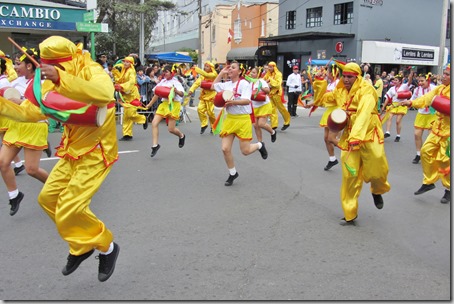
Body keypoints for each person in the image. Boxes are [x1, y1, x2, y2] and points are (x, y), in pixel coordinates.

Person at [0, 36, 120, 281]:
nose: (53, 72)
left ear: (70, 60)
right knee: (47, 199)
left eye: (59, 66)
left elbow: (105, 93)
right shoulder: (46, 80)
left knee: (69, 207)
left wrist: (61, 77)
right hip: (71, 150)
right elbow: (32, 112)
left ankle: (106, 246)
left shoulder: (90, 69)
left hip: (96, 151)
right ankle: (81, 245)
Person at [313, 61, 391, 225]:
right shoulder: (340, 90)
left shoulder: (367, 90)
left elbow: (364, 113)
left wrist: (357, 136)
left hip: (369, 131)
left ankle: (377, 191)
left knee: (377, 168)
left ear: (357, 77)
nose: (346, 79)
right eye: (345, 76)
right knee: (350, 174)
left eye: (350, 77)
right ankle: (350, 213)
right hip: (350, 135)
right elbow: (323, 100)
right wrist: (320, 82)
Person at [0, 50, 50, 216]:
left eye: (18, 64)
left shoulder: (43, 84)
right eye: (14, 63)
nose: (15, 67)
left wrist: (20, 102)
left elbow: (44, 109)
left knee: (32, 170)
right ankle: (14, 195)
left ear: (29, 65)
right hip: (17, 126)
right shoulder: (14, 82)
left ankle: (59, 189)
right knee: (2, 162)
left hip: (35, 126)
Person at [399, 64, 450, 204]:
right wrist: (410, 102)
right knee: (425, 151)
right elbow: (426, 99)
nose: (444, 76)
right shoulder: (439, 89)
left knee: (444, 160)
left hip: (449, 133)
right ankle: (429, 181)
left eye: (448, 74)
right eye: (444, 73)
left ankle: (448, 189)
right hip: (437, 128)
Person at [211, 61, 268, 186]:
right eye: (229, 68)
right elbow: (212, 87)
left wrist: (233, 102)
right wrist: (221, 72)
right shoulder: (226, 85)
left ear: (240, 71)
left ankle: (259, 145)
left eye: (233, 67)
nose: (230, 69)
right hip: (230, 119)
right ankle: (233, 173)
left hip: (242, 120)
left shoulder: (244, 84)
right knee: (225, 149)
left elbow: (247, 100)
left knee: (245, 151)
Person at [146, 65, 186, 158]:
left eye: (167, 71)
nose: (165, 73)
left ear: (172, 72)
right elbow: (157, 94)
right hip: (164, 104)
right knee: (154, 123)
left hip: (173, 104)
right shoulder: (162, 82)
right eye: (164, 72)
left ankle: (181, 136)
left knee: (171, 129)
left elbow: (182, 94)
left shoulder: (176, 82)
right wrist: (150, 104)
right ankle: (155, 145)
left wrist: (176, 91)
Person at [307, 63, 340, 171]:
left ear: (333, 72)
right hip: (329, 112)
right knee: (326, 139)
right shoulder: (329, 84)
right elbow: (322, 100)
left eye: (328, 72)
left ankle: (352, 151)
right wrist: (311, 104)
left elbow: (337, 99)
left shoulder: (339, 84)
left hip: (337, 111)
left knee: (331, 138)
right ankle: (332, 159)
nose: (326, 73)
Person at [114, 56, 148, 141]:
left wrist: (121, 86)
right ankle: (127, 134)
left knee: (130, 114)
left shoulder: (131, 71)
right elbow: (120, 80)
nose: (125, 63)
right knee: (126, 115)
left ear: (131, 64)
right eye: (124, 61)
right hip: (126, 94)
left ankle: (143, 119)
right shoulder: (123, 70)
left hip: (132, 95)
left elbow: (131, 82)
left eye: (127, 62)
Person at [409, 73, 436, 164]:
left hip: (432, 114)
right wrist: (407, 103)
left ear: (427, 80)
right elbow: (413, 100)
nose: (420, 83)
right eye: (419, 81)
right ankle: (418, 154)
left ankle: (430, 154)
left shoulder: (434, 88)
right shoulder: (417, 90)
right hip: (421, 114)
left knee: (431, 136)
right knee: (417, 134)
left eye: (422, 81)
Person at [381, 72, 413, 142]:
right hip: (394, 105)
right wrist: (383, 106)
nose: (394, 81)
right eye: (394, 80)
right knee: (389, 116)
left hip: (402, 105)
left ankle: (398, 135)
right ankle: (387, 132)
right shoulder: (392, 88)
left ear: (400, 81)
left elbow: (409, 82)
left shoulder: (404, 86)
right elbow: (388, 97)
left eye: (396, 80)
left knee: (398, 121)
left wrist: (411, 75)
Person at [188, 61, 217, 134]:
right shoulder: (202, 76)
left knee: (210, 113)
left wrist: (197, 69)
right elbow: (197, 83)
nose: (205, 68)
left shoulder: (213, 74)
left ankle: (213, 126)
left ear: (211, 68)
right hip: (203, 96)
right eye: (205, 66)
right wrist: (191, 90)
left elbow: (206, 74)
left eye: (207, 66)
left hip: (211, 96)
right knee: (199, 109)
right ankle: (204, 124)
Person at [248, 66, 276, 143]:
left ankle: (272, 132)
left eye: (254, 72)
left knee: (261, 124)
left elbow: (268, 91)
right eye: (251, 72)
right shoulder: (250, 83)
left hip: (263, 105)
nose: (252, 74)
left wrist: (261, 87)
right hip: (254, 106)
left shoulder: (261, 81)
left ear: (258, 74)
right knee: (255, 125)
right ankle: (260, 142)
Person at [263, 61, 291, 130]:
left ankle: (287, 121)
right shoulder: (268, 74)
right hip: (270, 94)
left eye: (270, 67)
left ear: (274, 67)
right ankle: (274, 125)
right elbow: (263, 81)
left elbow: (278, 84)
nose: (269, 68)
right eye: (268, 67)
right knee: (272, 109)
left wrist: (270, 81)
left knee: (281, 108)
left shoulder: (278, 74)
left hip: (277, 94)